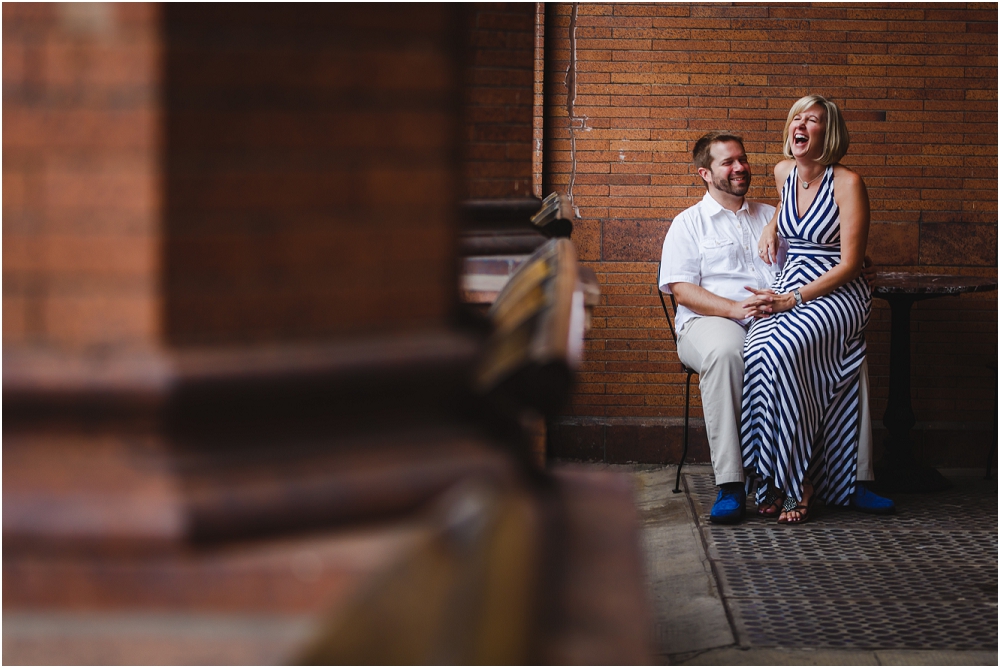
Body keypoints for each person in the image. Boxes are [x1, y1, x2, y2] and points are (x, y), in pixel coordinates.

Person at [658, 130, 893, 524]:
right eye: (728, 162)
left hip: (780, 314)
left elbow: (825, 247)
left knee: (844, 343)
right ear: (704, 173)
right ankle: (732, 484)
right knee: (728, 353)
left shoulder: (772, 213)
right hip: (712, 322)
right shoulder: (689, 223)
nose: (740, 168)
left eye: (743, 159)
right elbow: (682, 291)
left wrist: (862, 261)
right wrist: (735, 308)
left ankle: (854, 478)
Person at [741, 94, 883, 525]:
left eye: (813, 120)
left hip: (836, 291)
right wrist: (771, 224)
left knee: (785, 348)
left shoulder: (848, 183)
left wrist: (793, 300)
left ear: (829, 132)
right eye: (796, 118)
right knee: (757, 347)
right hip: (791, 279)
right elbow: (789, 207)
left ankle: (799, 479)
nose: (800, 124)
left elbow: (851, 263)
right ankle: (769, 477)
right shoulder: (784, 171)